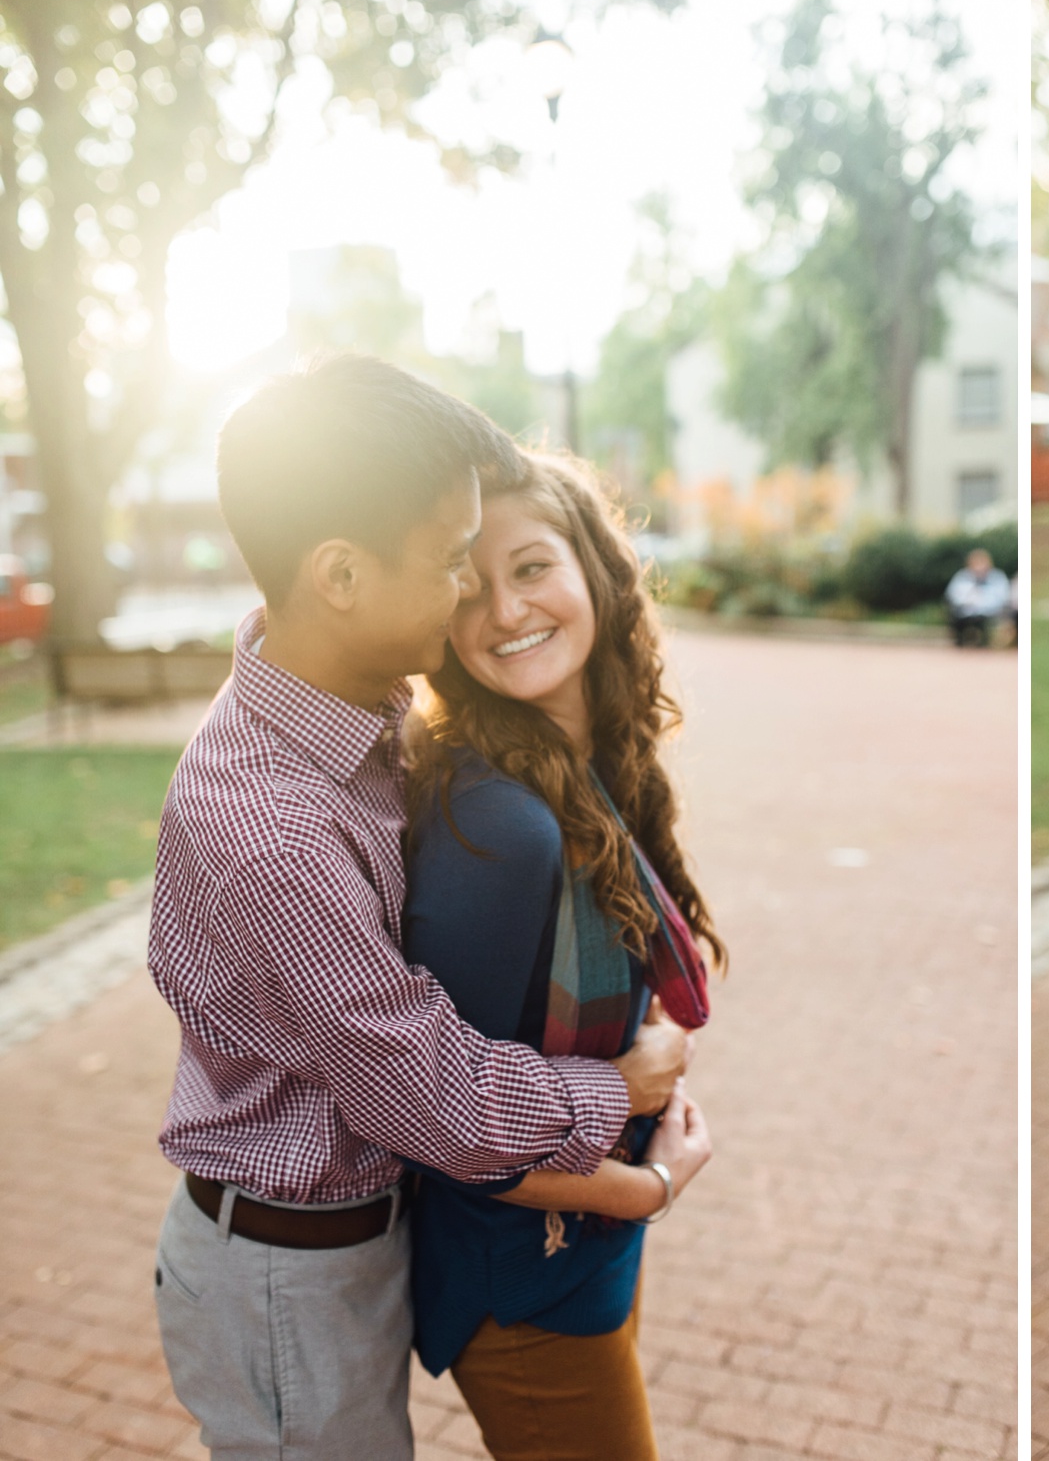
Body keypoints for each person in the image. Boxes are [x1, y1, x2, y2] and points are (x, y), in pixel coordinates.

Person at [148, 355, 692, 1461]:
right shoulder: (273, 833)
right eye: (452, 562)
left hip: (354, 1235)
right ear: (340, 576)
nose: (472, 595)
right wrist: (619, 1096)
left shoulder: (328, 691)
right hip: (290, 1269)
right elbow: (427, 1090)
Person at [401, 449, 725, 1460]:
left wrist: (653, 1048)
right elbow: (450, 1127)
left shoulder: (583, 768)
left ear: (593, 569)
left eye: (531, 568)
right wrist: (645, 1188)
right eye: (469, 586)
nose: (504, 611)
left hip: (584, 1242)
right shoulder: (501, 823)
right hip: (523, 1275)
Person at [945, 546, 1012, 646]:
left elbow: (1002, 598)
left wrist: (982, 604)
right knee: (955, 617)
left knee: (984, 621)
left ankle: (984, 644)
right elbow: (953, 595)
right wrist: (967, 601)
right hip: (965, 611)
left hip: (988, 611)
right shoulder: (962, 577)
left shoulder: (997, 577)